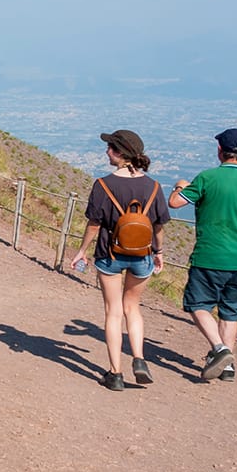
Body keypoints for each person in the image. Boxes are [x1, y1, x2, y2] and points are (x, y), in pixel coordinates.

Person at [168, 128, 237, 383]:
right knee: (231, 313)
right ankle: (227, 368)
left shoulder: (207, 178)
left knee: (197, 305)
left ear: (220, 151)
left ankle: (220, 350)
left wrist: (180, 186)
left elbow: (174, 203)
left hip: (210, 257)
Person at [70, 130, 169, 391]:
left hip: (110, 256)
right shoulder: (154, 186)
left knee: (113, 312)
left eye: (110, 148)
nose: (106, 152)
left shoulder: (103, 185)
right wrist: (158, 253)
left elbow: (94, 224)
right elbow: (158, 226)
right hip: (142, 257)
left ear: (120, 153)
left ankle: (115, 373)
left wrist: (82, 250)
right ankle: (139, 358)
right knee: (132, 309)